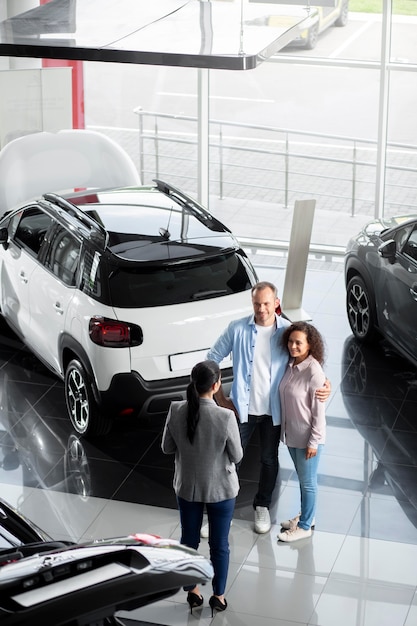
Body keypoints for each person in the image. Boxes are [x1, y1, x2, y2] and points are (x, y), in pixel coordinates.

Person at [205, 281, 330, 534]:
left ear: (276, 303)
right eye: (256, 303)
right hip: (241, 410)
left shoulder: (287, 331)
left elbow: (309, 360)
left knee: (268, 460)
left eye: (266, 303)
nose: (261, 309)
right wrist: (220, 399)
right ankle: (221, 513)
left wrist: (325, 382)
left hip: (275, 412)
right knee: (229, 462)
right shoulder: (237, 328)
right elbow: (211, 359)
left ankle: (262, 506)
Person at [161, 360, 243, 616]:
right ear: (216, 385)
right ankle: (218, 596)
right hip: (221, 489)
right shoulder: (225, 416)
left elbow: (167, 448)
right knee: (219, 545)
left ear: (192, 383)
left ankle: (192, 590)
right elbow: (237, 456)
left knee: (189, 540)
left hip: (187, 488)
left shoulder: (176, 410)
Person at [277, 322, 326, 543]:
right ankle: (307, 515)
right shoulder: (289, 364)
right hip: (292, 436)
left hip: (308, 438)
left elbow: (318, 413)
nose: (293, 346)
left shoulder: (313, 371)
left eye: (299, 343)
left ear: (309, 345)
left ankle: (305, 525)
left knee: (308, 482)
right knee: (303, 480)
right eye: (290, 341)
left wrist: (314, 442)